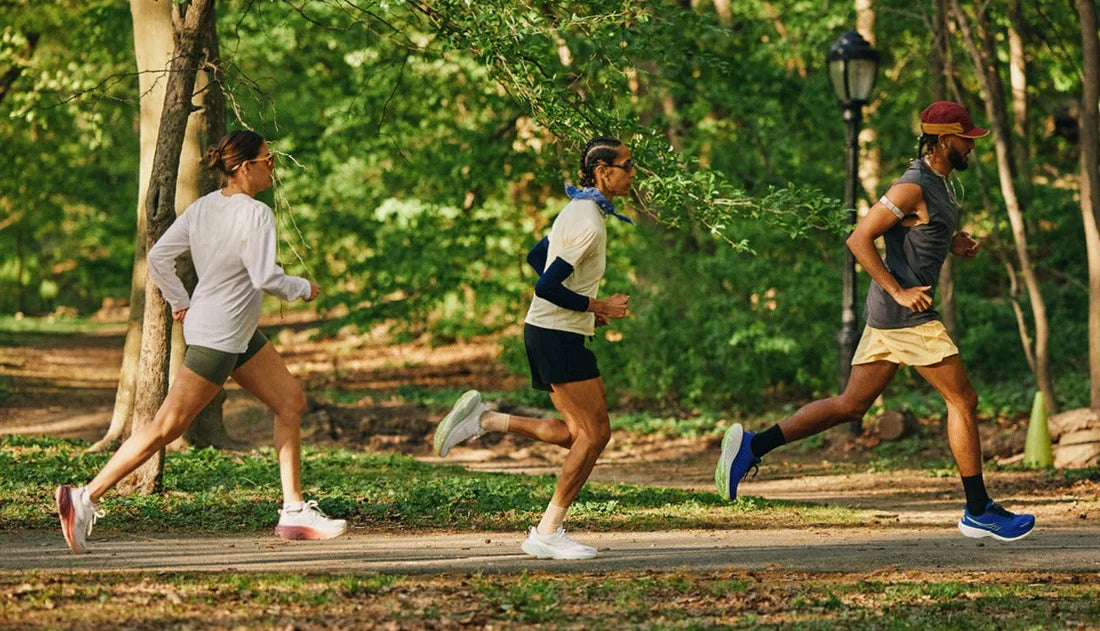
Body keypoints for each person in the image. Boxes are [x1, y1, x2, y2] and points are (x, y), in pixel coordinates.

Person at [715, 102, 1035, 542]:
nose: (971, 146)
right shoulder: (911, 185)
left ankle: (753, 445)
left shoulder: (939, 183)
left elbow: (916, 231)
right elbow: (859, 238)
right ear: (944, 140)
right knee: (963, 400)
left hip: (891, 317)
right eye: (966, 139)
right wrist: (899, 291)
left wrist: (950, 241)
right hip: (907, 316)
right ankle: (978, 510)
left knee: (850, 406)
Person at [55, 130, 347, 554]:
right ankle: (83, 497)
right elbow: (264, 276)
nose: (273, 167)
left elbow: (159, 257)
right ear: (244, 167)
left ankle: (294, 511)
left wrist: (181, 302)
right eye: (267, 160)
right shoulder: (257, 214)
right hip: (220, 336)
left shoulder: (203, 208)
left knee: (290, 401)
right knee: (166, 426)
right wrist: (302, 287)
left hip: (232, 330)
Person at [433, 136, 634, 559]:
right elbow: (545, 285)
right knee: (596, 434)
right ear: (603, 172)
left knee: (576, 434)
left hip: (552, 332)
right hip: (556, 336)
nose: (632, 174)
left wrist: (583, 307)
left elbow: (535, 255)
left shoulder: (577, 209)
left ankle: (485, 419)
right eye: (627, 166)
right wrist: (597, 306)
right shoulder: (588, 219)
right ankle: (547, 532)